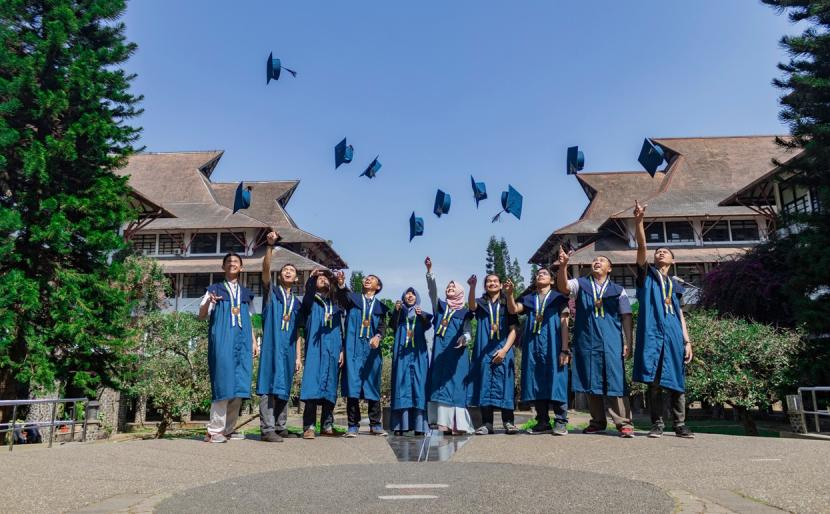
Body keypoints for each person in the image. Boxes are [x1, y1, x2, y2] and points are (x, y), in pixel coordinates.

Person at [556, 246, 635, 438]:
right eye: (595, 260)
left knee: (615, 379)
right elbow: (564, 287)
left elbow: (626, 316)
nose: (597, 262)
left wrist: (628, 342)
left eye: (602, 260)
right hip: (586, 340)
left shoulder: (618, 290)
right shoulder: (581, 284)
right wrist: (563, 266)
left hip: (611, 340)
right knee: (590, 379)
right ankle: (597, 421)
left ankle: (623, 423)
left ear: (610, 268)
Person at [632, 200, 695, 439]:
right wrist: (639, 222)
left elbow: (679, 313)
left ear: (672, 260)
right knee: (655, 380)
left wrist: (687, 341)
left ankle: (680, 424)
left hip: (673, 334)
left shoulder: (676, 286)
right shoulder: (646, 275)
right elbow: (641, 247)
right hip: (652, 332)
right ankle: (657, 424)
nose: (660, 252)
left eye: (665, 251)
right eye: (658, 251)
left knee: (676, 378)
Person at [198, 252, 257, 443]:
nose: (232, 264)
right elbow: (201, 314)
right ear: (223, 267)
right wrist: (209, 301)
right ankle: (214, 430)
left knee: (240, 386)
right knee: (223, 383)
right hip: (223, 339)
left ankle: (228, 430)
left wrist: (255, 342)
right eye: (229, 262)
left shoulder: (246, 293)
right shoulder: (214, 289)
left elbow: (250, 319)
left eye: (236, 262)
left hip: (243, 342)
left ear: (242, 268)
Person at [505, 268, 571, 435]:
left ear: (552, 281)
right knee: (536, 380)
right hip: (533, 344)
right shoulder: (529, 299)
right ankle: (542, 421)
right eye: (538, 274)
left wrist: (564, 349)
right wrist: (510, 294)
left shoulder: (558, 298)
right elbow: (513, 309)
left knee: (557, 380)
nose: (540, 275)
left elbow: (565, 321)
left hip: (553, 343)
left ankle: (561, 421)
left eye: (544, 274)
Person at [256, 231, 303, 442]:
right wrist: (269, 247)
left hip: (289, 348)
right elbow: (265, 271)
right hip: (272, 346)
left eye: (292, 270)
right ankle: (267, 429)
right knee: (268, 383)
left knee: (284, 383)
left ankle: (280, 425)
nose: (288, 271)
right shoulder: (271, 292)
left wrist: (298, 356)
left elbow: (298, 331)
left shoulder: (298, 303)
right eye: (285, 269)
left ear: (297, 277)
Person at [424, 257, 475, 435]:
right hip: (440, 352)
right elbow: (432, 291)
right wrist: (430, 271)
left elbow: (468, 332)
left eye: (453, 287)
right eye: (448, 287)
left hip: (458, 354)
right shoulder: (440, 307)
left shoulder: (465, 312)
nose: (449, 289)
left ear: (460, 292)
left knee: (457, 386)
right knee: (440, 385)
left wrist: (464, 339)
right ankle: (442, 423)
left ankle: (458, 425)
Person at [335, 271, 389, 437]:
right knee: (352, 384)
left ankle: (376, 424)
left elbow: (382, 327)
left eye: (372, 279)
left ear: (377, 287)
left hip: (371, 350)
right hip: (353, 347)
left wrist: (378, 337)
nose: (367, 279)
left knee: (372, 384)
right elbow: (342, 298)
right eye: (367, 278)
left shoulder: (380, 307)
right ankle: (353, 425)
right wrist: (342, 284)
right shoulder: (353, 300)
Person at [468, 273, 520, 435]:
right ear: (485, 286)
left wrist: (505, 350)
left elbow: (514, 331)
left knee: (505, 384)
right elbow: (471, 307)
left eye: (495, 281)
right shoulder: (481, 303)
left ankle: (508, 422)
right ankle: (487, 423)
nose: (492, 283)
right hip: (484, 349)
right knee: (484, 384)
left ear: (500, 284)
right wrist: (472, 287)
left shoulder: (507, 305)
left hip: (503, 348)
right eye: (489, 281)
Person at [298, 268, 344, 440]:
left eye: (326, 278)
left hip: (333, 348)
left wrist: (342, 350)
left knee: (330, 385)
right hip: (315, 349)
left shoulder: (336, 303)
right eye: (320, 278)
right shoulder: (311, 301)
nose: (323, 280)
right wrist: (311, 278)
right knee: (312, 385)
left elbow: (343, 329)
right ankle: (309, 426)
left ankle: (327, 425)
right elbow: (307, 298)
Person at [389, 287, 433, 435]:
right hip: (402, 354)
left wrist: (421, 316)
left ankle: (420, 426)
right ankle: (401, 426)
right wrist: (396, 310)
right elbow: (392, 325)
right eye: (407, 293)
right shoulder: (399, 313)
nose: (410, 295)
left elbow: (428, 325)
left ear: (417, 298)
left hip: (418, 354)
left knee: (419, 386)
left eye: (413, 294)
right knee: (401, 385)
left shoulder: (422, 314)